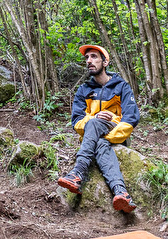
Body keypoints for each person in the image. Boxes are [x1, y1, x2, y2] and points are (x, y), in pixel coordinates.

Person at [56, 44, 141, 212]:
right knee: (99, 139)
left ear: (105, 61)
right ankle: (121, 192)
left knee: (97, 131)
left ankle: (78, 172)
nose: (89, 61)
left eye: (94, 57)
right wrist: (95, 121)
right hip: (95, 138)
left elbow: (131, 119)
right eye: (87, 58)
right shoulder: (83, 90)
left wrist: (106, 134)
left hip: (115, 134)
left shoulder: (121, 87)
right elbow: (77, 122)